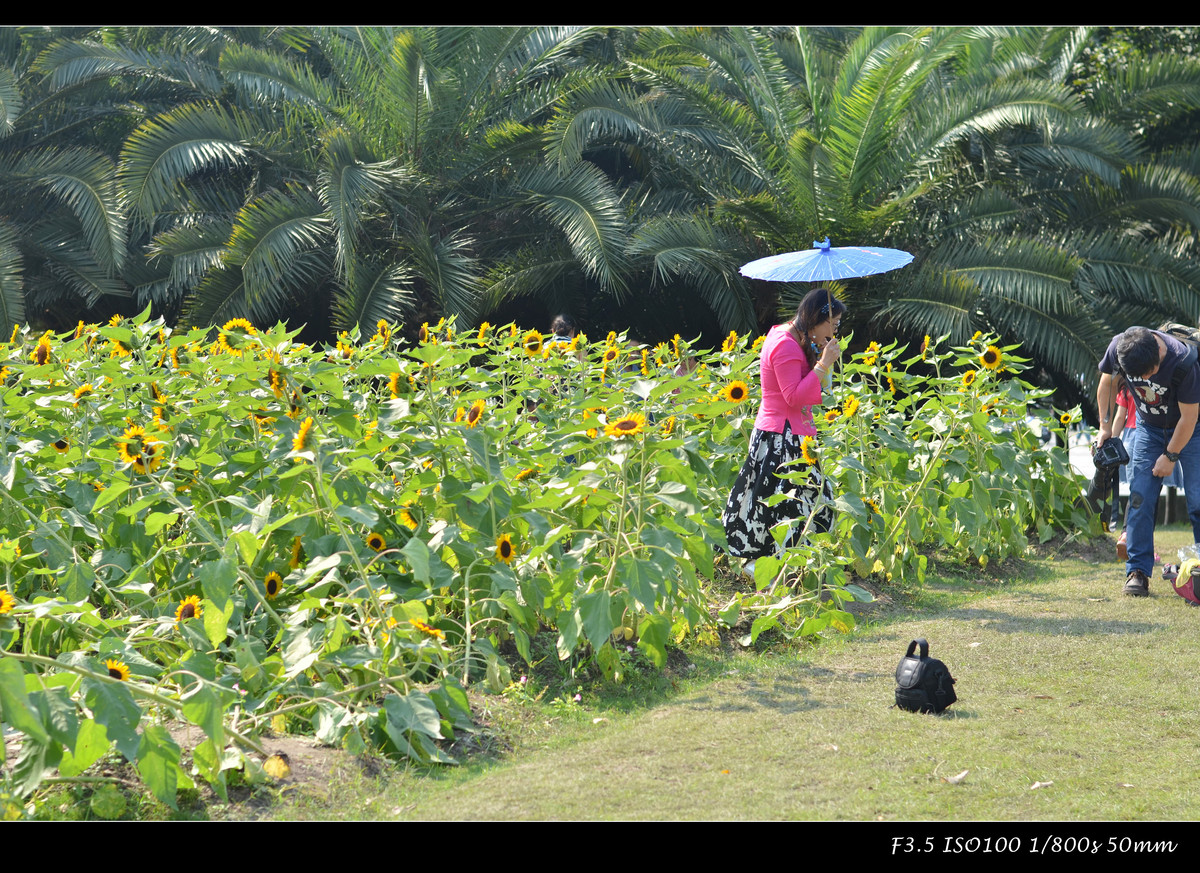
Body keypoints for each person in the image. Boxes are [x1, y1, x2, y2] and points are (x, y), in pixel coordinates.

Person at [722, 288, 844, 563]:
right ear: (816, 319)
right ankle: (776, 570)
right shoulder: (785, 344)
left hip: (790, 432)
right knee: (783, 507)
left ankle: (792, 567)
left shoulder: (797, 337)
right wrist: (824, 364)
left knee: (803, 502)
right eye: (833, 324)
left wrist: (824, 360)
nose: (835, 331)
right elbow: (793, 396)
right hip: (781, 438)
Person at [1096, 327, 1200, 596]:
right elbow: (1106, 381)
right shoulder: (1120, 347)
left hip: (1192, 429)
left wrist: (1170, 455)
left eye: (1149, 373)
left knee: (1198, 500)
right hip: (1147, 428)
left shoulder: (1183, 361)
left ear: (1159, 352)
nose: (1143, 380)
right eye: (1137, 376)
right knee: (1140, 497)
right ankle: (1137, 572)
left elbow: (1189, 419)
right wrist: (1104, 426)